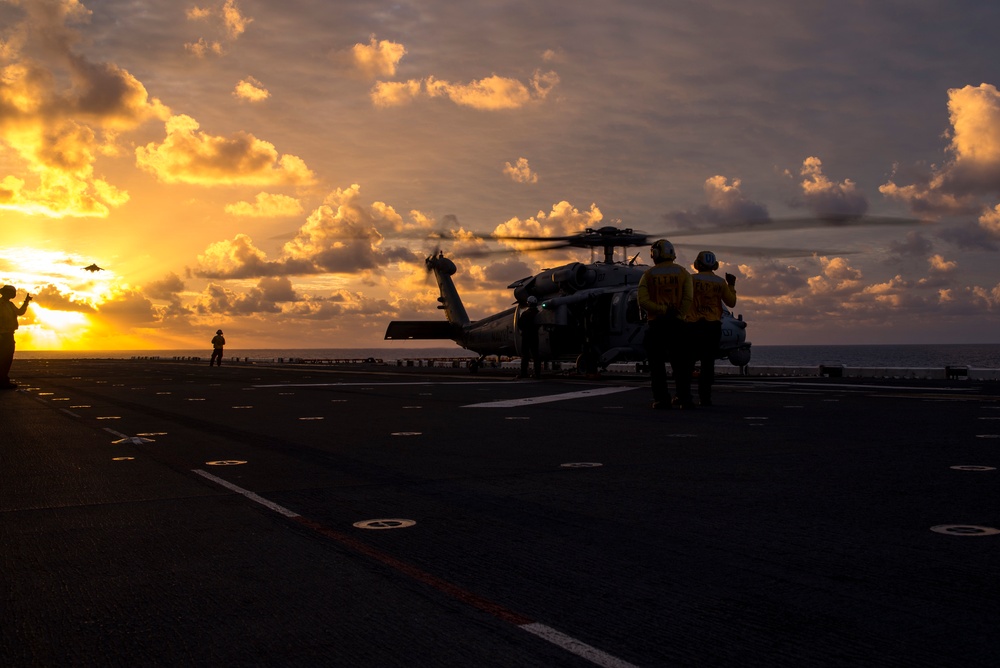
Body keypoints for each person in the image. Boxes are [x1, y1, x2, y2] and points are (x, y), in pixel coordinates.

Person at [637, 240, 694, 409]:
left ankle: (662, 399)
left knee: (656, 365)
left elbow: (643, 301)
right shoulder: (683, 273)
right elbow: (688, 298)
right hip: (677, 324)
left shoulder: (648, 275)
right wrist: (678, 314)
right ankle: (684, 398)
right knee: (681, 364)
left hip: (657, 325)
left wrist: (661, 310)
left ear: (655, 254)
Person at [688, 251, 738, 406]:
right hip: (713, 327)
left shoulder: (690, 280)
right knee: (708, 363)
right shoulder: (720, 282)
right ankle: (705, 397)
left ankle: (685, 395)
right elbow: (731, 302)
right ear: (715, 265)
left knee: (687, 362)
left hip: (693, 326)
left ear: (697, 265)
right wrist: (731, 285)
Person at [1, 285, 32, 389]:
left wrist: (26, 302)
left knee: (8, 359)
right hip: (2, 335)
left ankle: (4, 379)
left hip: (9, 335)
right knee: (3, 358)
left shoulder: (10, 305)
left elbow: (20, 312)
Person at [516, 296, 542, 379]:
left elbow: (519, 324)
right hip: (534, 336)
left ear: (528, 303)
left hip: (526, 336)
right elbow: (539, 324)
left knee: (525, 356)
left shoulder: (525, 313)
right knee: (536, 356)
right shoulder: (538, 313)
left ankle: (524, 373)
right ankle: (537, 374)